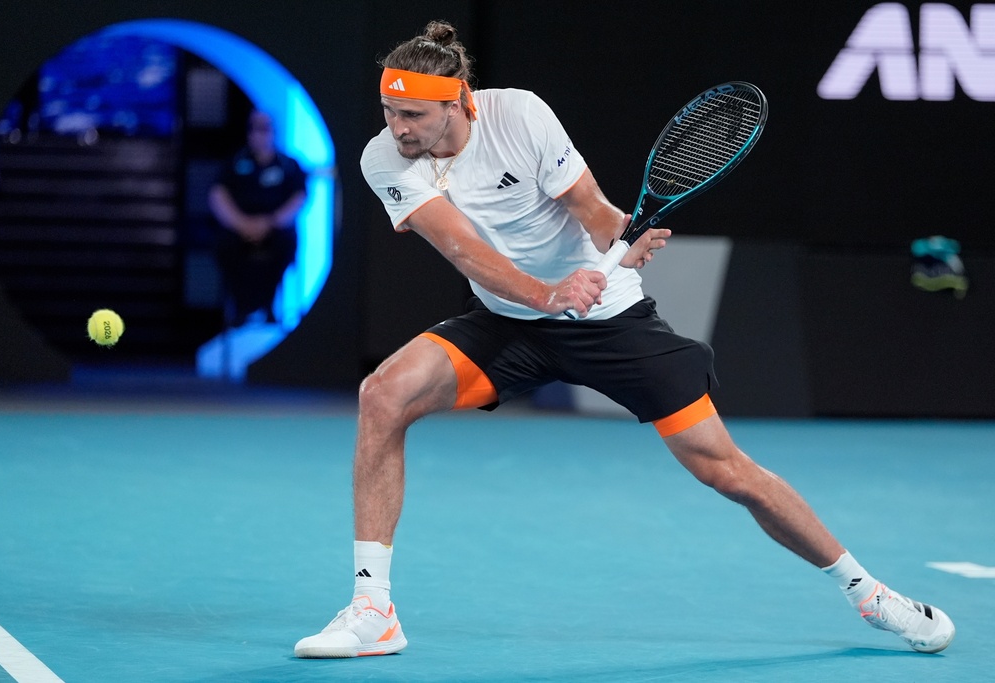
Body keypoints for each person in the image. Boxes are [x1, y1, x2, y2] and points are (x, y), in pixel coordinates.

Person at [294, 21, 955, 659]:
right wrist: (547, 295)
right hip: (506, 322)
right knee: (383, 395)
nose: (398, 128)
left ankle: (869, 594)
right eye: (389, 111)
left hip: (609, 322)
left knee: (727, 471)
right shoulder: (383, 157)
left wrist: (619, 234)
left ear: (459, 100)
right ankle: (373, 610)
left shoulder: (519, 115)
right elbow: (464, 249)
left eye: (413, 115)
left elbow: (591, 208)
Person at [209, 110, 307, 326]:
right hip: (239, 229)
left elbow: (299, 197)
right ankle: (241, 309)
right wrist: (242, 223)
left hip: (274, 230)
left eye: (264, 129)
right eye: (254, 129)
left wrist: (270, 222)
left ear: (273, 132)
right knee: (225, 247)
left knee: (285, 245)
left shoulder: (288, 165)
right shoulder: (235, 162)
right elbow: (217, 195)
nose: (259, 135)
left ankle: (269, 306)